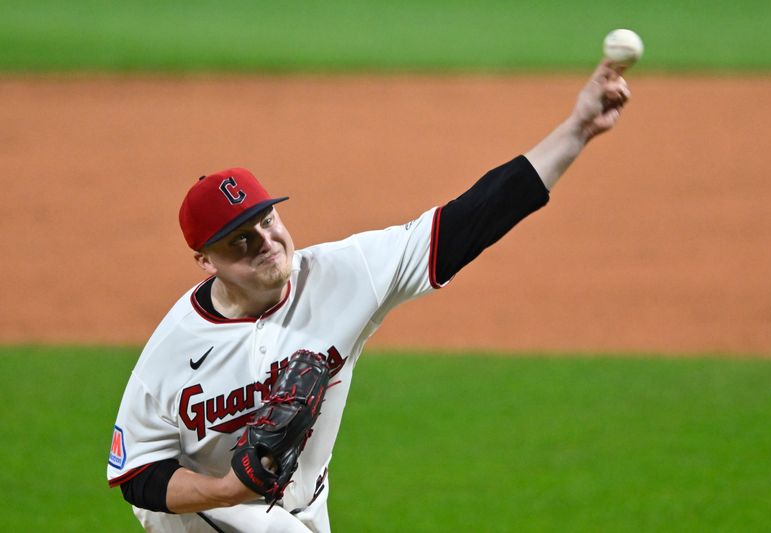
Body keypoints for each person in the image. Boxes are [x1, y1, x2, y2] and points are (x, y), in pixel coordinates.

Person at [107, 60, 631, 532]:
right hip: (205, 518)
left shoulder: (344, 274)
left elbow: (470, 219)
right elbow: (138, 475)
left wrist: (578, 129)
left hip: (304, 511)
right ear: (206, 260)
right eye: (241, 239)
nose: (267, 243)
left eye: (267, 221)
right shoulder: (173, 350)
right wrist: (227, 489)